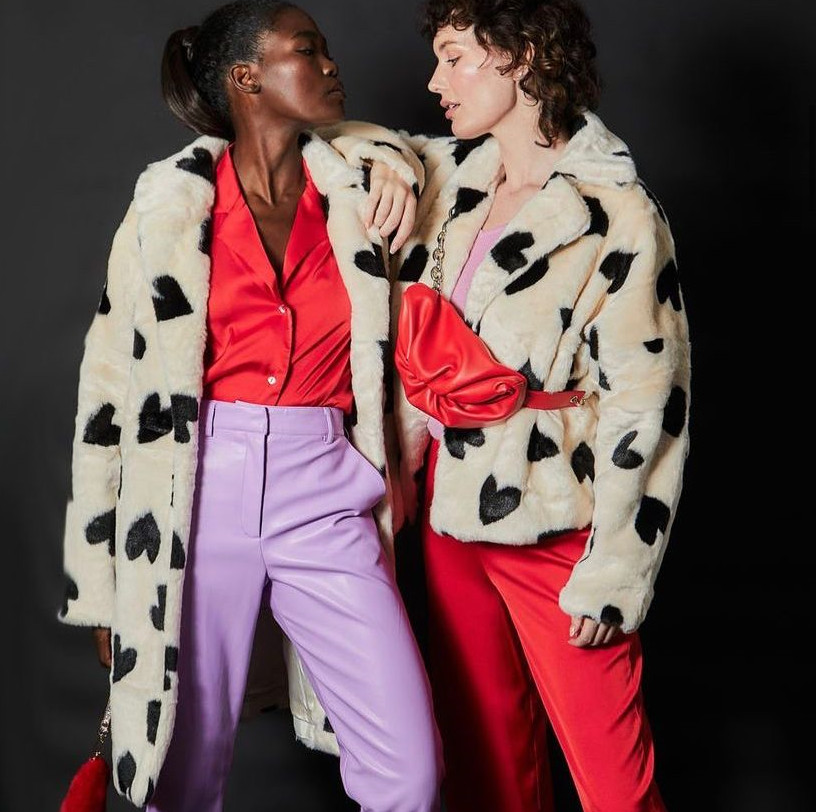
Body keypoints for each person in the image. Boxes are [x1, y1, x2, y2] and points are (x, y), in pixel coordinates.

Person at [57, 1, 443, 809]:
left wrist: (396, 161)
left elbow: (466, 157)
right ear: (247, 78)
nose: (332, 64)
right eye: (308, 50)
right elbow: (108, 394)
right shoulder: (169, 205)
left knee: (409, 770)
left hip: (326, 488)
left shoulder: (359, 194)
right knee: (182, 772)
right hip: (195, 492)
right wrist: (100, 584)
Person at [389, 1, 691, 810]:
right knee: (487, 770)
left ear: (521, 55)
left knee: (614, 784)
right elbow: (344, 148)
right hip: (451, 511)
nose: (436, 81)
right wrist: (385, 164)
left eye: (455, 57)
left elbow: (648, 406)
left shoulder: (618, 209)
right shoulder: (450, 182)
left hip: (559, 519)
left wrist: (617, 570)